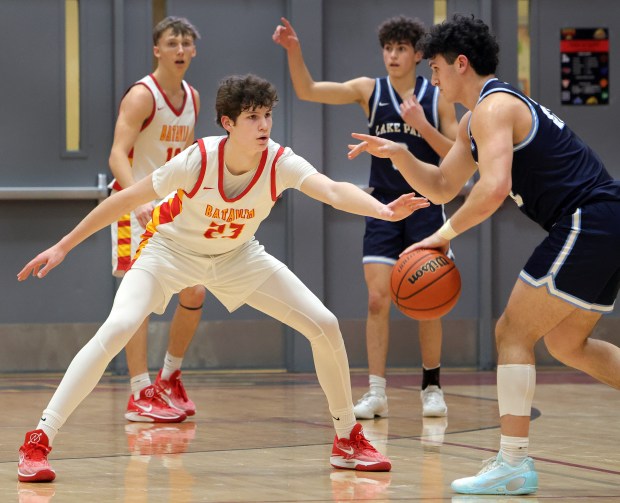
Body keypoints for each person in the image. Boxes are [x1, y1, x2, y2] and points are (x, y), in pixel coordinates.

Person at [16, 73, 433, 482]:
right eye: (252, 117)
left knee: (324, 324)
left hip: (238, 256)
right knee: (119, 327)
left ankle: (347, 439)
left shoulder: (279, 161)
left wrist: (381, 210)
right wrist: (64, 245)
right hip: (169, 252)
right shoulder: (199, 159)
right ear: (227, 123)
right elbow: (127, 197)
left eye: (267, 115)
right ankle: (39, 438)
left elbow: (331, 189)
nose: (264, 125)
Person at [347, 14, 620, 496]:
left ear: (461, 64)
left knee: (512, 331)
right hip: (600, 223)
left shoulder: (494, 107)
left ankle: (513, 461)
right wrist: (400, 155)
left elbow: (494, 189)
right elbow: (443, 184)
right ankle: (513, 461)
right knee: (566, 345)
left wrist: (442, 236)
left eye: (434, 66)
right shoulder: (477, 119)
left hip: (589, 218)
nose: (431, 77)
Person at [273, 16, 458, 420]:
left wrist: (421, 126)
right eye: (387, 48)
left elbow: (455, 153)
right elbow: (308, 90)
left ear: (417, 54)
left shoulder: (436, 95)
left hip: (427, 205)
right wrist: (294, 51)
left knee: (431, 300)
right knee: (377, 299)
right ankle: (376, 392)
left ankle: (432, 386)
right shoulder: (369, 90)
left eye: (401, 49)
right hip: (385, 205)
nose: (392, 56)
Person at [108, 16, 205, 423]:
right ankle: (138, 392)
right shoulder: (142, 96)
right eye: (172, 43)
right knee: (140, 302)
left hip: (170, 209)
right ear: (157, 50)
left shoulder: (193, 98)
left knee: (196, 290)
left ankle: (169, 376)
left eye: (186, 43)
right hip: (135, 208)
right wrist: (136, 202)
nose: (180, 50)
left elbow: (184, 159)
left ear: (194, 50)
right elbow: (116, 154)